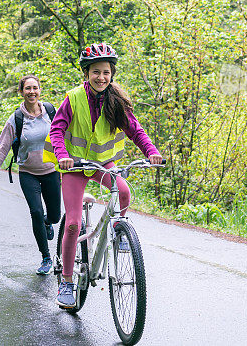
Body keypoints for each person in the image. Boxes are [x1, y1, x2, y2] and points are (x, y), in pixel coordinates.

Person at [44, 43, 163, 308]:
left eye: (106, 72)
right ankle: (66, 282)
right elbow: (57, 129)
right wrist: (62, 154)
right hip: (74, 165)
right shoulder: (73, 98)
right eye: (96, 71)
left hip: (102, 163)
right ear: (86, 73)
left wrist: (151, 151)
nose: (101, 77)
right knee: (74, 223)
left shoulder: (116, 101)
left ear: (112, 74)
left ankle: (119, 233)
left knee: (123, 192)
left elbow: (136, 131)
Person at [0, 74, 61, 275]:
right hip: (28, 173)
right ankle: (46, 258)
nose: (32, 92)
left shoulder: (51, 112)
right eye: (28, 88)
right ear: (22, 92)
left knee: (55, 215)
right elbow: (2, 148)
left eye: (35, 87)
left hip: (52, 171)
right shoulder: (16, 118)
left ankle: (47, 222)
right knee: (35, 211)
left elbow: (64, 136)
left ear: (40, 89)